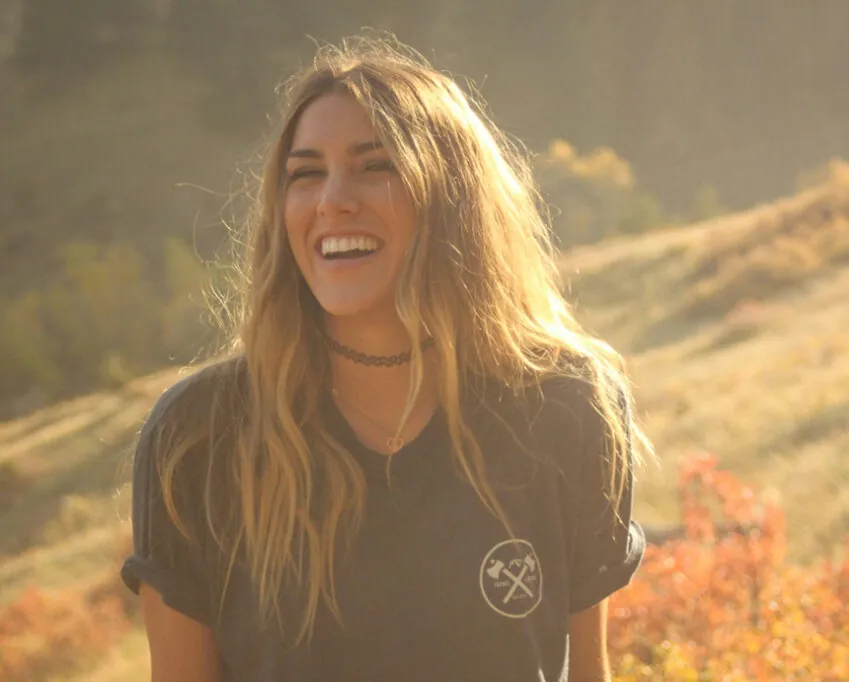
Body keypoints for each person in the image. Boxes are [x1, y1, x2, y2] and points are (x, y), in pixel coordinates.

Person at [120, 35, 653, 682]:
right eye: (305, 173)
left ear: (453, 197)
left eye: (377, 166)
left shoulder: (567, 406)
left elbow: (587, 673)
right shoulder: (198, 436)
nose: (331, 200)